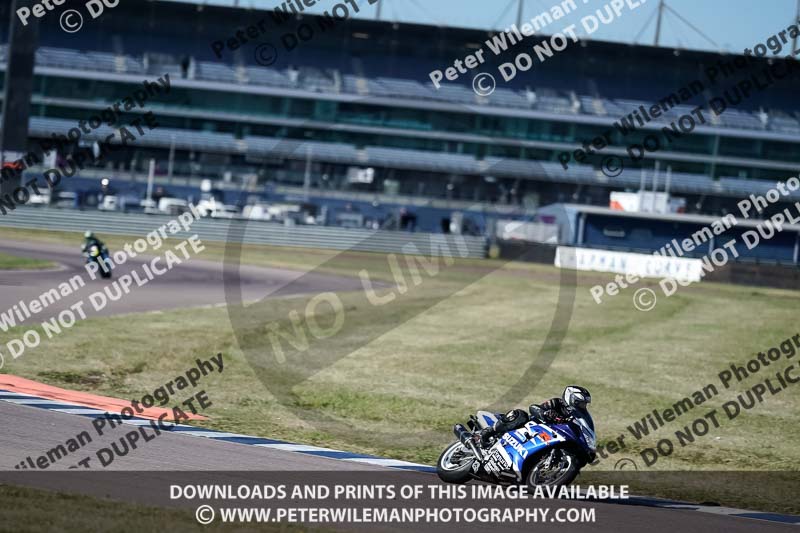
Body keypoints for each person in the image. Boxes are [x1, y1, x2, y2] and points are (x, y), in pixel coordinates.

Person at [479, 385, 591, 448]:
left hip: (544, 438)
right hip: (529, 427)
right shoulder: (557, 403)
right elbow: (533, 408)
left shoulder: (574, 416)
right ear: (571, 398)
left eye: (584, 404)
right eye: (580, 403)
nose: (582, 406)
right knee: (519, 415)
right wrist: (546, 413)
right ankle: (488, 432)